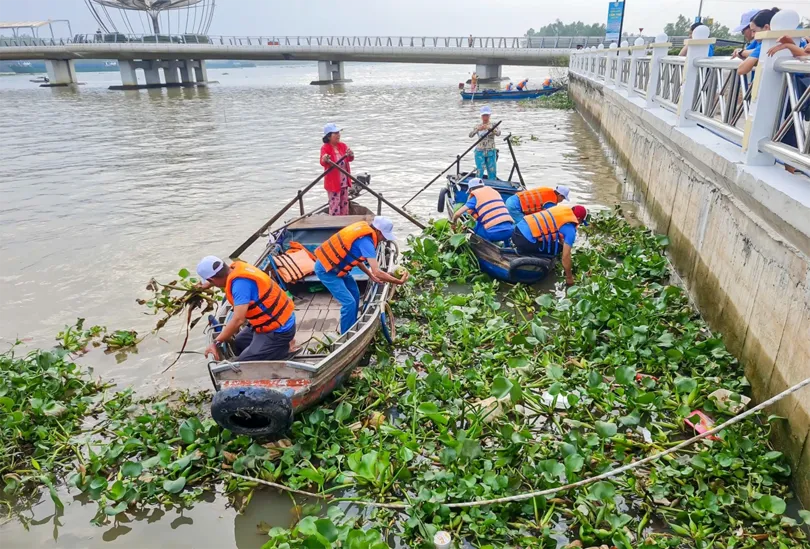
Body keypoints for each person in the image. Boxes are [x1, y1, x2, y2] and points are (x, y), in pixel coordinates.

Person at [314, 217, 408, 334]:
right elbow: (377, 271)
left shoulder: (364, 236)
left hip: (339, 269)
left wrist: (370, 274)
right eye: (384, 236)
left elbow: (357, 259)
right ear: (378, 231)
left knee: (355, 293)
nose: (384, 240)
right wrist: (398, 281)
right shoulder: (366, 242)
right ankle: (346, 334)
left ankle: (352, 324)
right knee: (349, 303)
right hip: (326, 271)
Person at [197, 256, 296, 362]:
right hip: (268, 322)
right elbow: (218, 277)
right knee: (240, 342)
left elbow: (238, 320)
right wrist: (206, 285)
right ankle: (268, 350)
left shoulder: (240, 286)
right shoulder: (236, 269)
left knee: (243, 363)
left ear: (212, 279)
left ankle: (284, 349)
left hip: (279, 330)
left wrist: (216, 342)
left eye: (211, 282)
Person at [511, 204, 588, 286]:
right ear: (578, 219)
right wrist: (569, 278)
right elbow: (565, 257)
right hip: (524, 240)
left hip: (516, 231)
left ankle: (524, 250)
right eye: (581, 222)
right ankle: (534, 259)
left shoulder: (561, 210)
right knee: (558, 248)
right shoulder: (570, 230)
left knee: (553, 244)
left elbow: (554, 228)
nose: (579, 224)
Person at [452, 178, 515, 243]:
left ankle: (484, 244)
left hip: (492, 235)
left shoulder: (475, 198)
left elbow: (457, 214)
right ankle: (507, 245)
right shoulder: (495, 193)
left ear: (471, 190)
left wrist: (453, 224)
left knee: (476, 226)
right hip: (511, 232)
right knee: (502, 221)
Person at [320, 123, 355, 216]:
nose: (338, 135)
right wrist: (325, 158)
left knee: (344, 203)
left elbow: (349, 159)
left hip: (344, 180)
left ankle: (344, 220)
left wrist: (351, 154)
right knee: (335, 204)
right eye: (335, 133)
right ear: (329, 136)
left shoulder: (342, 146)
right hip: (333, 182)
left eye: (338, 133)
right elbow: (322, 162)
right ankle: (335, 222)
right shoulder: (325, 148)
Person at [737, 8, 781, 76]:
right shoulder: (784, 41)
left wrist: (743, 53)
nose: (752, 35)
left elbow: (741, 70)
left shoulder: (766, 46)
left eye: (754, 31)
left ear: (766, 27)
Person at [505, 185, 570, 223]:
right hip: (515, 206)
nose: (562, 201)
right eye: (563, 198)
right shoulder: (551, 203)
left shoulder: (547, 190)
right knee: (522, 225)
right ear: (560, 195)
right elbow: (547, 218)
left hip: (512, 198)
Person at [469, 106, 500, 179]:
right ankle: (477, 184)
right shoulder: (478, 126)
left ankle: (492, 184)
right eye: (483, 115)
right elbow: (470, 135)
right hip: (480, 151)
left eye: (487, 115)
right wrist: (477, 129)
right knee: (480, 170)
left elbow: (498, 133)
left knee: (492, 171)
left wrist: (490, 128)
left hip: (491, 151)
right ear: (481, 116)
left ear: (489, 115)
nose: (485, 117)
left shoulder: (494, 125)